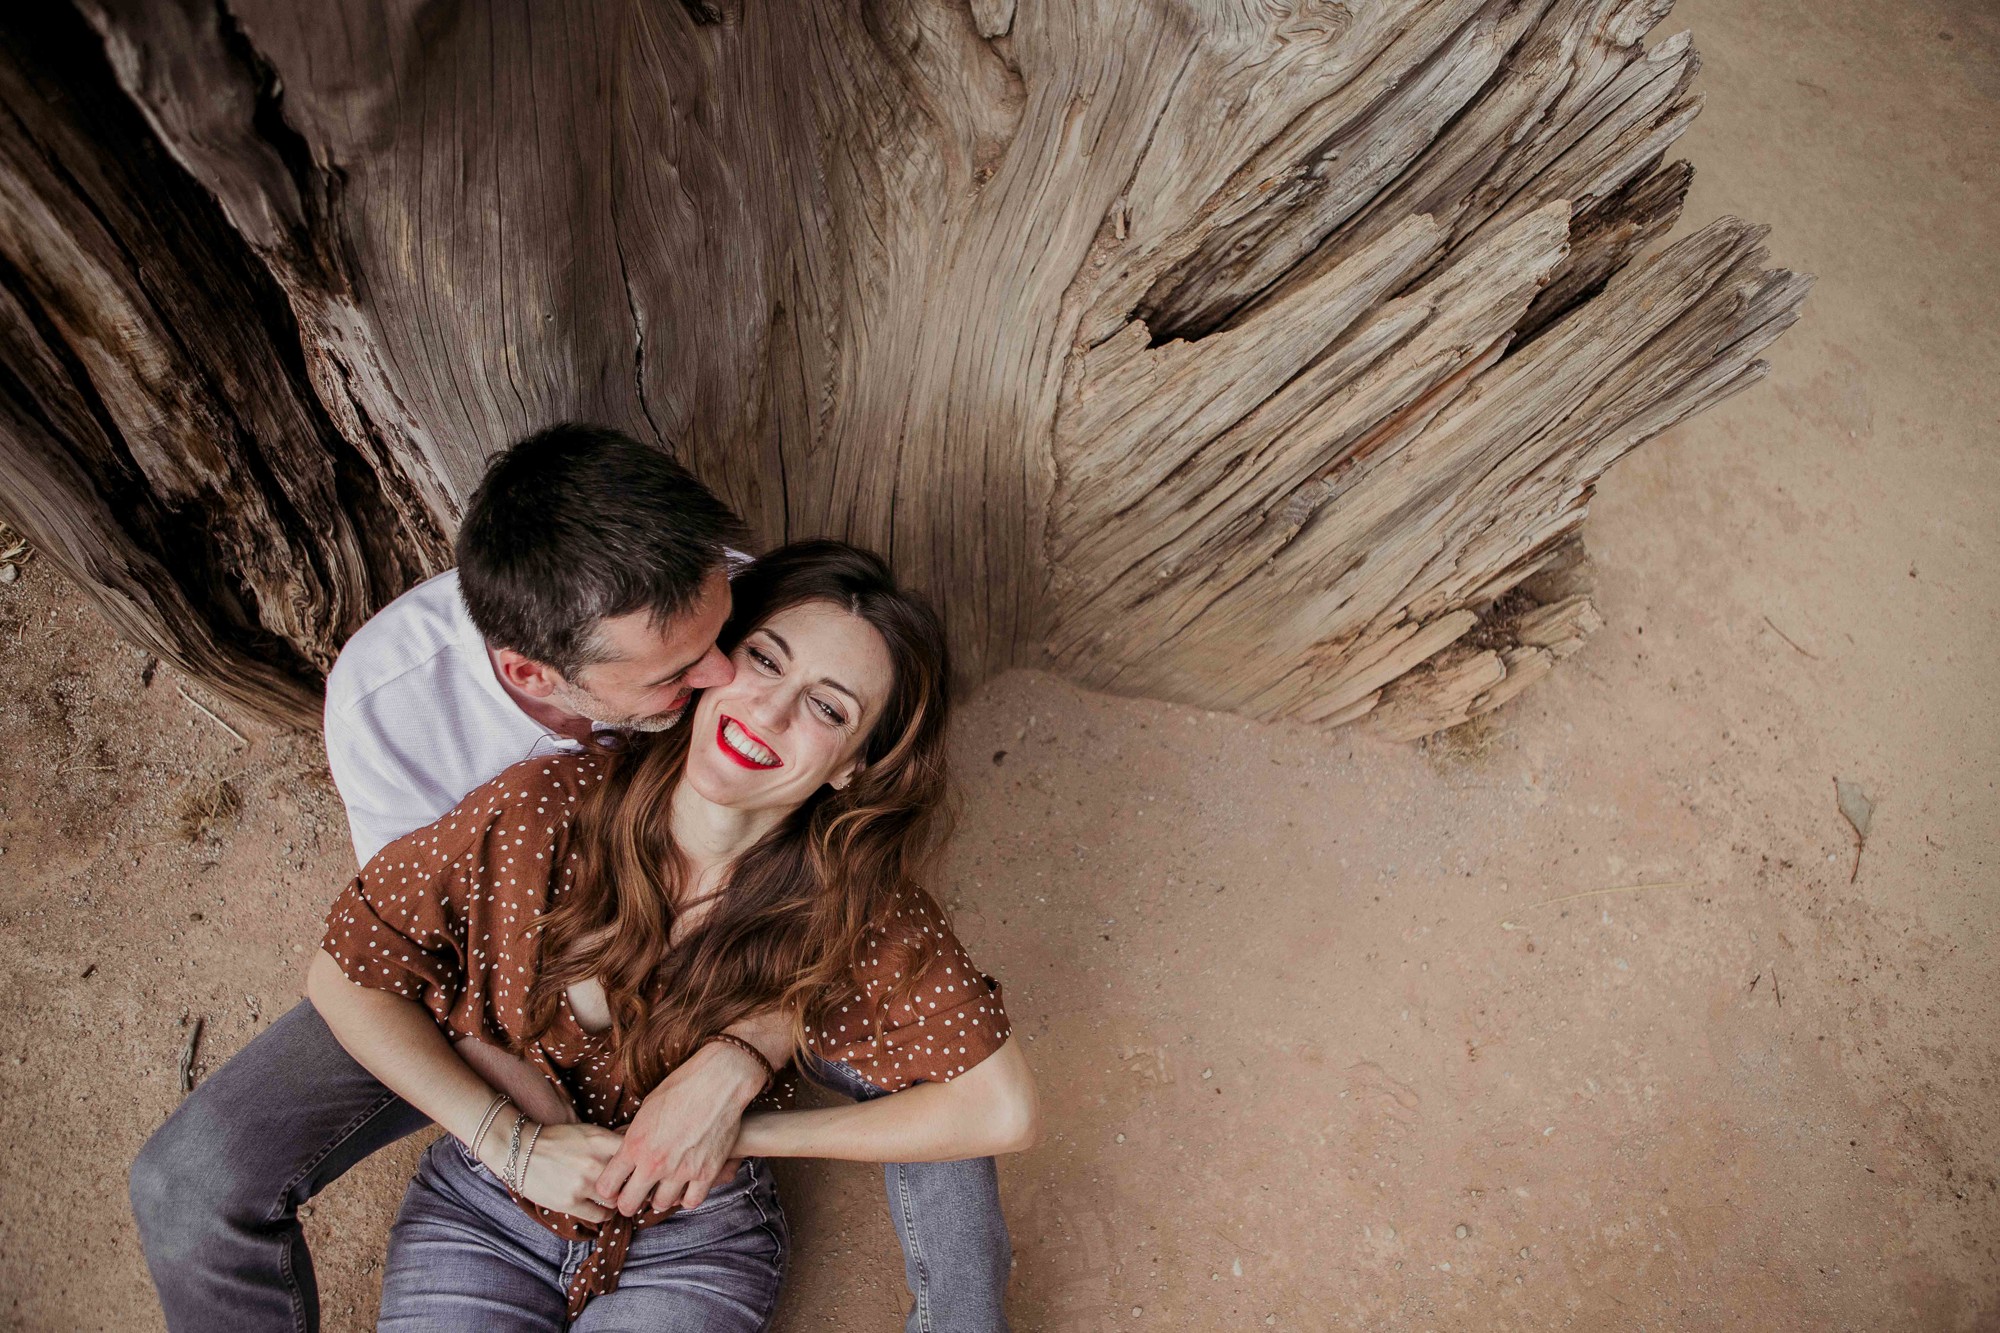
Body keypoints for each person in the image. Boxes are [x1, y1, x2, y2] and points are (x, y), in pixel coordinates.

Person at [129, 426, 1019, 1331]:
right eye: (694, 670)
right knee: (189, 1182)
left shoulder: (746, 604)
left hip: (742, 966)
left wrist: (738, 1062)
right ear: (538, 677)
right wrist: (516, 1141)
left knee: (929, 1057)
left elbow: (843, 872)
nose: (731, 680)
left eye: (732, 639)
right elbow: (401, 963)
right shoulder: (418, 726)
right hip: (512, 992)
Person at [305, 540, 1038, 1329]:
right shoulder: (544, 809)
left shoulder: (853, 905)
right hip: (486, 1207)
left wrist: (740, 1129)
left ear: (853, 768)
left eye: (829, 708)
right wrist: (507, 1142)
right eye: (764, 660)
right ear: (714, 661)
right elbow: (342, 975)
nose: (770, 710)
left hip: (697, 1236)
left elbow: (1003, 1109)